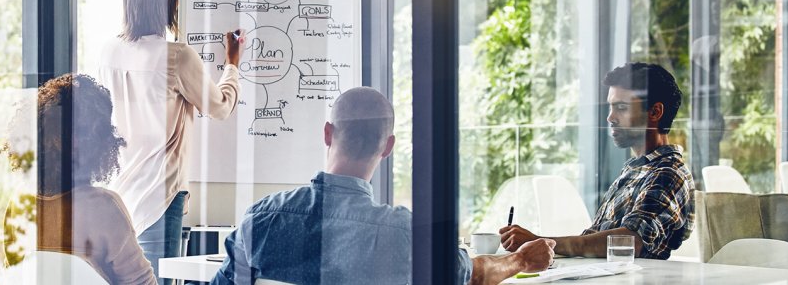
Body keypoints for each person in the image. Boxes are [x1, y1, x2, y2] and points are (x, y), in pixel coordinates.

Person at [212, 87, 555, 285]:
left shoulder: (261, 218)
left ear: (327, 133)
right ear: (388, 147)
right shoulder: (404, 233)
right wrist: (520, 261)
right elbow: (471, 274)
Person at [93, 0, 244, 282]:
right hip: (159, 196)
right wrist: (232, 65)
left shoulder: (108, 52)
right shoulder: (177, 56)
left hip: (119, 193)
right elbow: (219, 107)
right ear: (166, 2)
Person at [500, 62, 694, 260]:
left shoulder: (667, 173)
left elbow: (630, 241)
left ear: (655, 112)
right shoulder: (636, 168)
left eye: (621, 107)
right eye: (611, 107)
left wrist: (541, 242)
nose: (610, 117)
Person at [3, 74, 157, 284]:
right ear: (99, 141)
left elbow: (14, 275)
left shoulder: (20, 202)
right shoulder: (104, 207)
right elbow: (141, 282)